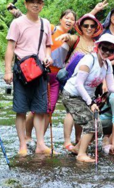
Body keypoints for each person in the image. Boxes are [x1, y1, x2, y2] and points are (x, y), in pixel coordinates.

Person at [61, 34, 114, 162]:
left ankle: (77, 148)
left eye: (111, 50)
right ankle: (81, 154)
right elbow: (78, 84)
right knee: (92, 123)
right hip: (72, 95)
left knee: (97, 125)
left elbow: (111, 86)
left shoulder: (107, 64)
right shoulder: (88, 60)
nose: (107, 52)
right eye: (104, 48)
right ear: (98, 47)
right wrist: (91, 102)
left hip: (85, 97)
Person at [3, 0, 53, 156]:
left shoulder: (45, 23)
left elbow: (48, 45)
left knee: (40, 109)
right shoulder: (17, 23)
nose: (35, 4)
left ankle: (40, 144)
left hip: (39, 70)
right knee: (21, 109)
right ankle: (22, 145)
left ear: (42, 5)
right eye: (32, 1)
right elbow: (10, 47)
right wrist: (8, 70)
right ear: (25, 4)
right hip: (22, 71)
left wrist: (48, 56)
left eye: (38, 2)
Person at [25, 8, 76, 145]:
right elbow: (34, 26)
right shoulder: (52, 28)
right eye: (67, 17)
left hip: (56, 78)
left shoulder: (71, 39)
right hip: (43, 74)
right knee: (37, 108)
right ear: (61, 19)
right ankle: (27, 136)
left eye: (72, 19)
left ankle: (40, 141)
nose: (69, 21)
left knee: (50, 109)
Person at [54, 13, 103, 151]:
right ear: (81, 27)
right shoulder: (76, 39)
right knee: (71, 111)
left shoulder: (97, 44)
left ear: (96, 28)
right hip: (72, 80)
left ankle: (78, 139)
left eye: (92, 26)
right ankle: (67, 141)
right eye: (86, 25)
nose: (89, 28)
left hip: (89, 84)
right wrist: (66, 36)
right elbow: (69, 38)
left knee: (81, 111)